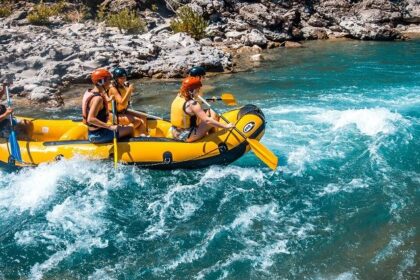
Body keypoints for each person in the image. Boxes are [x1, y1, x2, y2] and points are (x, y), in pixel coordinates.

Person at [169, 76, 234, 142]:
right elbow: (207, 121)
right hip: (187, 136)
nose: (198, 91)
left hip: (175, 133)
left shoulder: (178, 96)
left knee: (201, 114)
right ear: (193, 91)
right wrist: (225, 126)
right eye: (198, 90)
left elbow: (191, 106)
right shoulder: (192, 104)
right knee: (212, 113)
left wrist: (209, 100)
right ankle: (213, 136)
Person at [82, 68, 133, 143]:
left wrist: (109, 100)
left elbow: (92, 105)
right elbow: (90, 119)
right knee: (131, 128)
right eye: (108, 80)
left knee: (124, 127)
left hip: (94, 132)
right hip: (98, 135)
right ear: (101, 82)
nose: (110, 82)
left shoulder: (89, 92)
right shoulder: (98, 99)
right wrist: (110, 127)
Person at [108, 67, 148, 136]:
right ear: (116, 79)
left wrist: (130, 90)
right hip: (115, 115)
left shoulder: (123, 86)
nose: (124, 79)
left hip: (123, 111)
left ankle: (144, 134)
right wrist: (129, 90)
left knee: (143, 116)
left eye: (125, 77)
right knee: (137, 121)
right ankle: (125, 132)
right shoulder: (113, 89)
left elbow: (128, 99)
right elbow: (122, 103)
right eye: (121, 78)